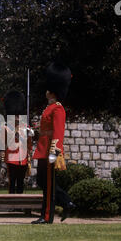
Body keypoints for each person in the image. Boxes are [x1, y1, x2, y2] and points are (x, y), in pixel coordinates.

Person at [31, 61, 76, 224]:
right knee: (43, 182)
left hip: (50, 150)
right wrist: (34, 132)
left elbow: (58, 132)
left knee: (48, 184)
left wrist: (54, 152)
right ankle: (66, 202)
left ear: (52, 91)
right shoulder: (49, 108)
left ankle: (47, 216)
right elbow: (45, 130)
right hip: (43, 148)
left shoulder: (58, 108)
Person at [0, 90, 33, 195]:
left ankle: (20, 203)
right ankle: (11, 202)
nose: (17, 117)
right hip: (11, 156)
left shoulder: (25, 125)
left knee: (20, 181)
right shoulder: (7, 125)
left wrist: (29, 135)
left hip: (22, 157)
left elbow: (28, 143)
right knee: (12, 180)